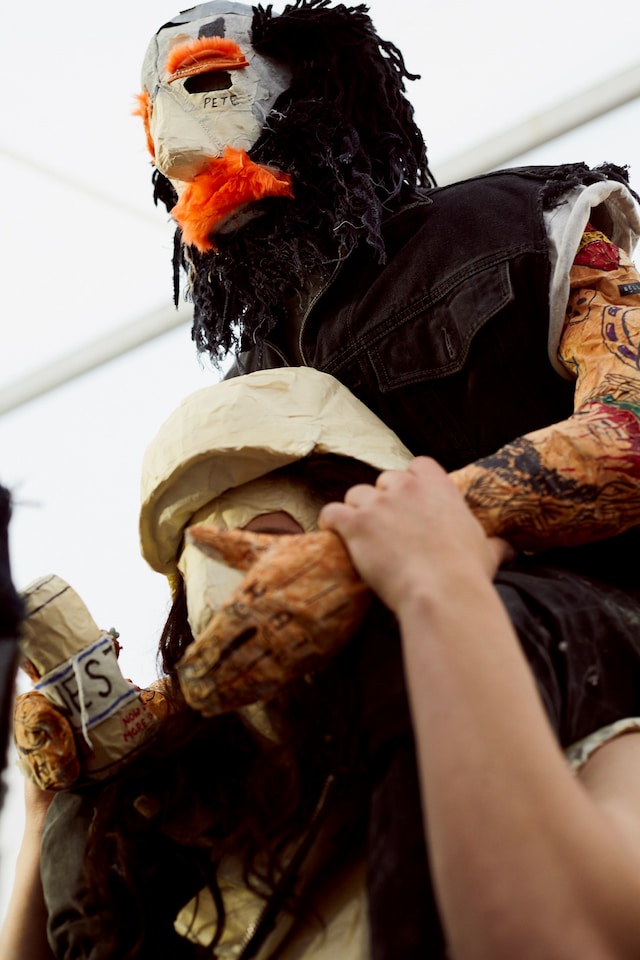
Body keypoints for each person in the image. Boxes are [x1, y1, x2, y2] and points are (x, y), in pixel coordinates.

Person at [4, 367, 640, 960]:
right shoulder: (205, 832)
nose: (238, 609)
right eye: (205, 591)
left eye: (271, 552)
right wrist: (46, 819)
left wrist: (439, 592)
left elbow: (549, 937)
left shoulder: (552, 651)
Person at [136, 1, 640, 726]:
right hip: (373, 721)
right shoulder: (250, 386)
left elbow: (630, 429)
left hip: (591, 652)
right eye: (153, 118)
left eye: (209, 83)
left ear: (321, 91)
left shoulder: (516, 230)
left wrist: (363, 562)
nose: (177, 149)